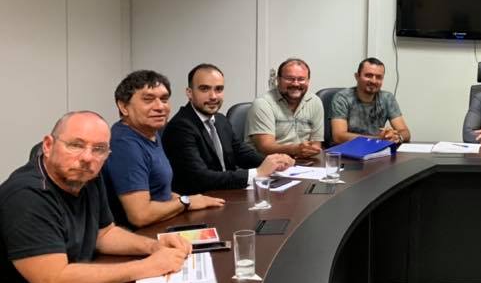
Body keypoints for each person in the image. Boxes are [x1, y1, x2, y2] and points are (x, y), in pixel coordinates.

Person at [0, 112, 191, 283]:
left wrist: (154, 246)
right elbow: (53, 282)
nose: (87, 158)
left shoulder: (88, 177)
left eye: (99, 149)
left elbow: (104, 233)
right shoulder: (27, 195)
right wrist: (147, 267)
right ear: (48, 146)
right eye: (75, 145)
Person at [104, 70, 224, 228]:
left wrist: (188, 200)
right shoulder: (124, 144)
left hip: (163, 222)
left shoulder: (152, 132)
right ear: (124, 106)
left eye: (164, 99)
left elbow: (161, 192)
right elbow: (140, 216)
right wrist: (186, 202)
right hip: (140, 233)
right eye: (148, 100)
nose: (160, 107)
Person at [162, 64, 294, 194]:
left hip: (226, 193)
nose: (213, 96)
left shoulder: (220, 120)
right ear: (189, 93)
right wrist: (258, 173)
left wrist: (274, 162)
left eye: (218, 89)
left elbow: (240, 153)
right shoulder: (180, 127)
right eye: (204, 89)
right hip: (200, 199)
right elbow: (200, 178)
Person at [246, 58, 324, 159]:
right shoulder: (263, 104)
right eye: (289, 79)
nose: (295, 84)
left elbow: (316, 144)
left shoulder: (315, 101)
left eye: (301, 79)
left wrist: (310, 151)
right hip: (267, 162)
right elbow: (264, 147)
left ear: (308, 81)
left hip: (303, 163)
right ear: (278, 80)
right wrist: (295, 150)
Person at [330, 57, 411, 145]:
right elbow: (338, 136)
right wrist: (378, 139)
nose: (374, 81)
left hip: (377, 149)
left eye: (379, 77)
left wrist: (397, 137)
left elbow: (405, 132)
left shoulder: (387, 98)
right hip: (348, 149)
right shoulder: (342, 98)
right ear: (357, 76)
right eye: (368, 75)